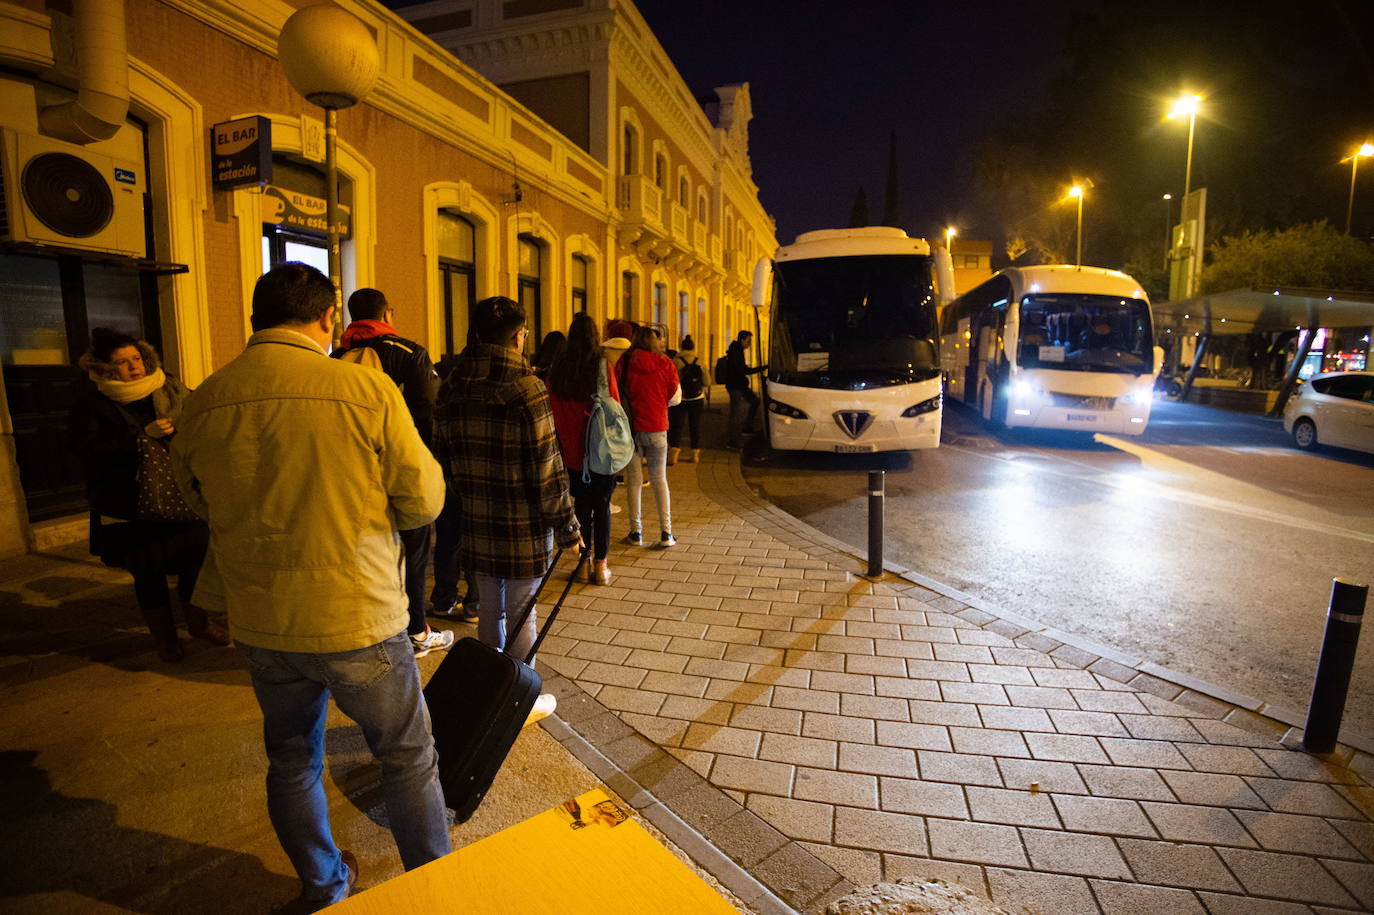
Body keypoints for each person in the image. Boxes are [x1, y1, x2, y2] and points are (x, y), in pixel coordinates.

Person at [171, 263, 450, 910]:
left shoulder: (205, 400)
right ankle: (435, 892)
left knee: (293, 758)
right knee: (408, 758)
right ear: (328, 319)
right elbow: (425, 498)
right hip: (360, 613)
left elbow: (197, 500)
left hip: (264, 620)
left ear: (255, 321)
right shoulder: (364, 390)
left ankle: (324, 887)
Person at [433, 296, 581, 665]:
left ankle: (489, 682)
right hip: (522, 526)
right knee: (521, 610)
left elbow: (442, 456)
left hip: (476, 518)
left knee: (488, 607)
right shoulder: (526, 388)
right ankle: (517, 692)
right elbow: (548, 469)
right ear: (517, 337)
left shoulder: (453, 385)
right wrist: (568, 528)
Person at [68, 328, 228, 662]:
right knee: (148, 573)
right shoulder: (92, 402)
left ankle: (200, 624)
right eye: (122, 363)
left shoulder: (169, 387)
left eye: (136, 358)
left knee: (194, 565)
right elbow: (85, 450)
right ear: (106, 368)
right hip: (131, 506)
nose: (133, 367)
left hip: (181, 498)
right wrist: (141, 436)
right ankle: (166, 641)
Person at [332, 288, 451, 658]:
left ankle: (374, 628)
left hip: (352, 473)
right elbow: (426, 413)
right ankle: (416, 630)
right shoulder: (409, 353)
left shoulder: (336, 358)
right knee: (414, 551)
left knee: (368, 552)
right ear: (387, 314)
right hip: (401, 468)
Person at [547, 314, 620, 585]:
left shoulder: (560, 368)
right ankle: (601, 567)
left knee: (581, 507)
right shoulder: (601, 366)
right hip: (600, 451)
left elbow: (552, 407)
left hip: (572, 453)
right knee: (602, 507)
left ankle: (584, 563)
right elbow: (615, 405)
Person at [617, 326, 680, 547]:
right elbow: (675, 397)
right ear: (655, 341)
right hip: (657, 428)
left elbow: (616, 393)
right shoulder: (666, 363)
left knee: (633, 482)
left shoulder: (625, 363)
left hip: (632, 431)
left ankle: (636, 533)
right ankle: (666, 533)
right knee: (659, 480)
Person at [667, 334, 706, 465]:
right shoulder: (700, 361)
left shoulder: (675, 361)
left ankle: (674, 454)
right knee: (695, 426)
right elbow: (708, 381)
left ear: (681, 347)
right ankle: (694, 454)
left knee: (676, 425)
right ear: (693, 347)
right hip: (697, 397)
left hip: (680, 398)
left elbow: (671, 381)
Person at [725, 329, 765, 449]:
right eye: (748, 341)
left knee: (755, 401)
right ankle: (732, 441)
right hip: (736, 387)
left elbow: (742, 369)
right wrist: (761, 368)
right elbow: (743, 370)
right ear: (742, 340)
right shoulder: (736, 352)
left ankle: (747, 427)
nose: (749, 344)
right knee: (736, 414)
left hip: (740, 385)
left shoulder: (738, 350)